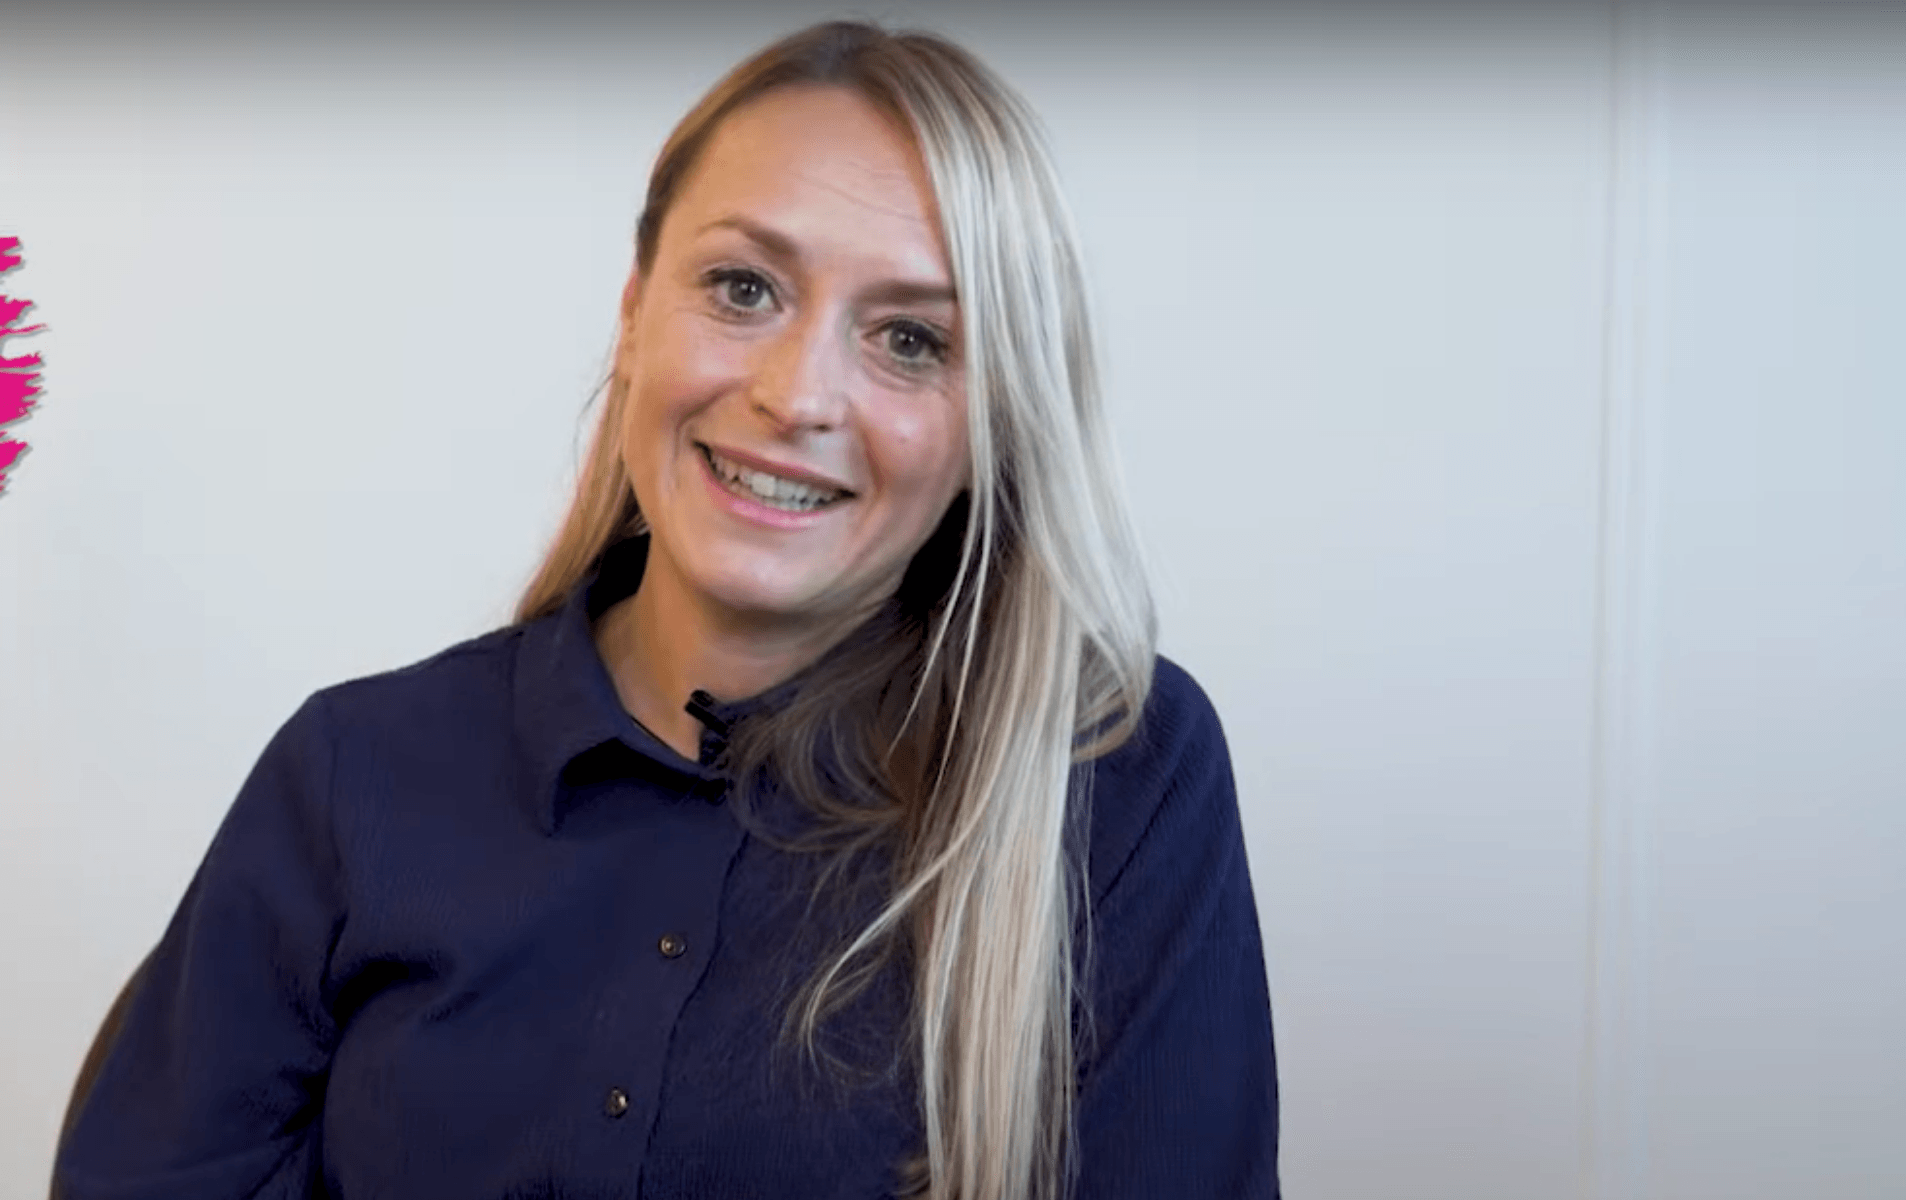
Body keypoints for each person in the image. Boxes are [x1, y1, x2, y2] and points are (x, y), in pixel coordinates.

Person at [52, 19, 1280, 1200]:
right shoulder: (352, 770)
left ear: (996, 415)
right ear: (636, 312)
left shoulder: (1110, 772)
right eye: (743, 288)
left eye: (911, 340)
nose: (797, 395)